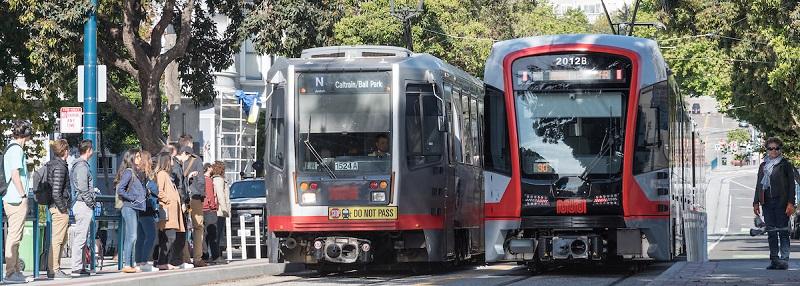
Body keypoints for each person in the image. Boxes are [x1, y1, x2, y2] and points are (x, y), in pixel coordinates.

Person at [753, 137, 796, 270]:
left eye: (776, 148)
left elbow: (791, 186)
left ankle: (784, 260)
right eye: (770, 148)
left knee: (783, 231)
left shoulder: (785, 165)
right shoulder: (763, 166)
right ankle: (774, 260)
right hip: (767, 202)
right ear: (767, 150)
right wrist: (756, 202)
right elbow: (759, 185)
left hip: (782, 202)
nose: (773, 151)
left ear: (780, 149)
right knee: (771, 232)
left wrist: (790, 203)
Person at [3, 120, 33, 283]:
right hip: (15, 199)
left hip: (11, 198)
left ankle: (16, 271)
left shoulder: (11, 148)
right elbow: (15, 174)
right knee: (14, 236)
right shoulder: (17, 150)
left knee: (16, 235)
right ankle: (10, 273)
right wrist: (23, 195)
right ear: (26, 134)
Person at [115, 149, 147, 273]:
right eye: (138, 156)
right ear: (132, 158)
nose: (140, 159)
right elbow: (120, 190)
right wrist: (133, 198)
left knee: (134, 236)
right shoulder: (129, 172)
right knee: (131, 236)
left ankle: (131, 264)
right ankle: (127, 264)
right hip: (129, 207)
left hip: (135, 207)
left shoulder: (136, 172)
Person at [178, 135, 207, 267]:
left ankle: (184, 257)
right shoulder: (197, 160)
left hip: (180, 197)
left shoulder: (177, 159)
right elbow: (201, 181)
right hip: (194, 196)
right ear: (190, 144)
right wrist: (201, 196)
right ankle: (197, 258)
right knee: (198, 227)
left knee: (182, 227)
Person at [155, 152, 186, 271]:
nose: (173, 163)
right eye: (171, 160)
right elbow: (159, 190)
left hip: (173, 211)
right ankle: (162, 261)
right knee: (169, 236)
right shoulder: (162, 174)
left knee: (168, 237)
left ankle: (164, 262)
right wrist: (168, 200)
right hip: (168, 211)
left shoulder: (168, 175)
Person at [46, 139, 72, 280]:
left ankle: (53, 269)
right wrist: (63, 209)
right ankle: (55, 269)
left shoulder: (53, 164)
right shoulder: (60, 167)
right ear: (65, 151)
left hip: (55, 206)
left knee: (60, 238)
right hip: (59, 207)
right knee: (58, 239)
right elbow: (56, 192)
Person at [70, 140, 95, 277]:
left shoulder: (79, 165)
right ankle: (76, 267)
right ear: (89, 150)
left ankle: (80, 266)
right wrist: (90, 202)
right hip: (83, 204)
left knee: (82, 236)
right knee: (81, 236)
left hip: (80, 203)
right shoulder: (82, 166)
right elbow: (83, 187)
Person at [135, 151, 160, 272]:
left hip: (139, 208)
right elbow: (154, 190)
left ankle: (139, 261)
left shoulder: (138, 173)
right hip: (147, 207)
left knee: (141, 236)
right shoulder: (146, 175)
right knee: (150, 235)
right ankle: (144, 262)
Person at [211, 161, 230, 264]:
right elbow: (221, 195)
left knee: (217, 233)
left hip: (217, 210)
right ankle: (216, 255)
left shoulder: (215, 179)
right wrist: (224, 209)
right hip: (219, 210)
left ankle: (216, 254)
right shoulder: (219, 180)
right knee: (218, 233)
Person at [201, 164, 219, 263]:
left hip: (202, 208)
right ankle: (215, 255)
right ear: (208, 168)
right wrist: (213, 206)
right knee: (212, 233)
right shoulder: (207, 180)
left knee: (204, 234)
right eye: (211, 167)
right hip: (209, 209)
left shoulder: (201, 179)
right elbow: (210, 195)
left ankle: (205, 255)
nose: (212, 168)